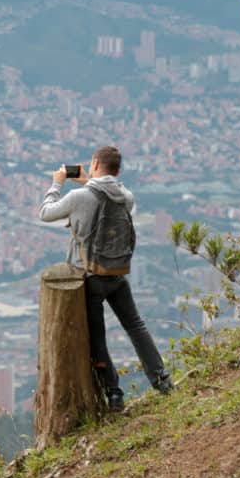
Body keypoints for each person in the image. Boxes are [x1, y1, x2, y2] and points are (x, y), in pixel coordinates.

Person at [38, 145, 173, 412]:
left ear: (95, 162)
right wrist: (90, 181)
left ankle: (113, 393)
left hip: (88, 277)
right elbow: (104, 195)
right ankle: (161, 379)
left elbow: (45, 212)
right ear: (118, 170)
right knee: (136, 326)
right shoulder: (126, 197)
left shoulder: (78, 197)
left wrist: (57, 183)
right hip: (117, 273)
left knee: (97, 336)